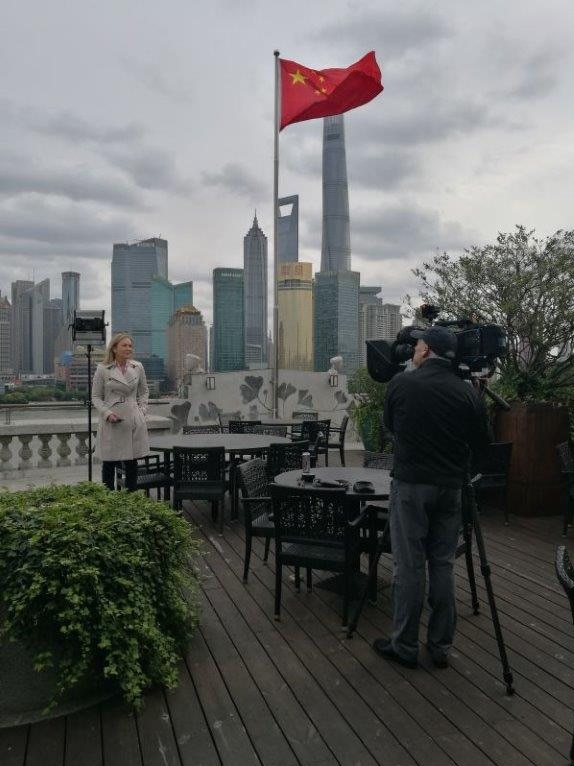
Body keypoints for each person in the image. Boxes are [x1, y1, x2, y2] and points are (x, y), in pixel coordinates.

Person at [372, 325, 490, 669]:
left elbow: (390, 426)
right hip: (451, 488)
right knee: (442, 564)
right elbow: (483, 444)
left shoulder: (402, 384)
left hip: (410, 486)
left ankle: (405, 646)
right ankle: (440, 646)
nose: (413, 351)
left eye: (417, 346)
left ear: (425, 352)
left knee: (409, 565)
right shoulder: (468, 393)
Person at [92, 332, 150, 491]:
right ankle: (108, 501)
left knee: (132, 463)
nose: (128, 348)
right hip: (111, 420)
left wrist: (142, 410)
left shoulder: (138, 367)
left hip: (133, 419)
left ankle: (132, 501)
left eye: (130, 346)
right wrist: (107, 413)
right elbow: (96, 397)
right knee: (109, 463)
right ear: (115, 348)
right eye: (124, 345)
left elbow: (144, 391)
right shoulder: (103, 369)